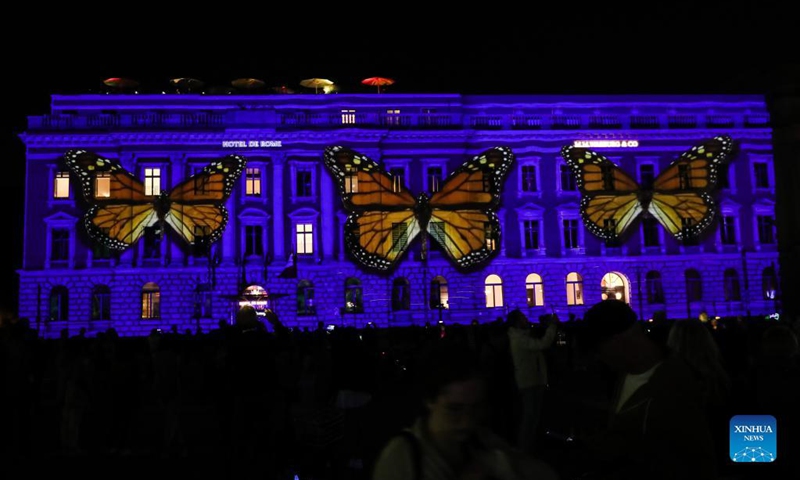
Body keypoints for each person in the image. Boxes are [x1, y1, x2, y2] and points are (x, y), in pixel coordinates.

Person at [572, 300, 717, 480]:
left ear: (618, 342)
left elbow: (692, 460)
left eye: (599, 351)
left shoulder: (678, 384)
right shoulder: (625, 374)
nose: (600, 359)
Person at [371, 342, 558, 480]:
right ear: (429, 400)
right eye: (454, 409)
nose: (467, 421)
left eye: (476, 407)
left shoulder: (484, 443)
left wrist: (497, 462)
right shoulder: (401, 457)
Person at [506, 308, 559, 454]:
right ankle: (523, 449)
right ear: (517, 322)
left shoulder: (520, 336)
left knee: (533, 416)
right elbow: (542, 344)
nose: (526, 319)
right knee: (529, 417)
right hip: (529, 381)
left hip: (533, 379)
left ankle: (528, 446)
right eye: (523, 317)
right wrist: (552, 327)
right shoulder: (518, 338)